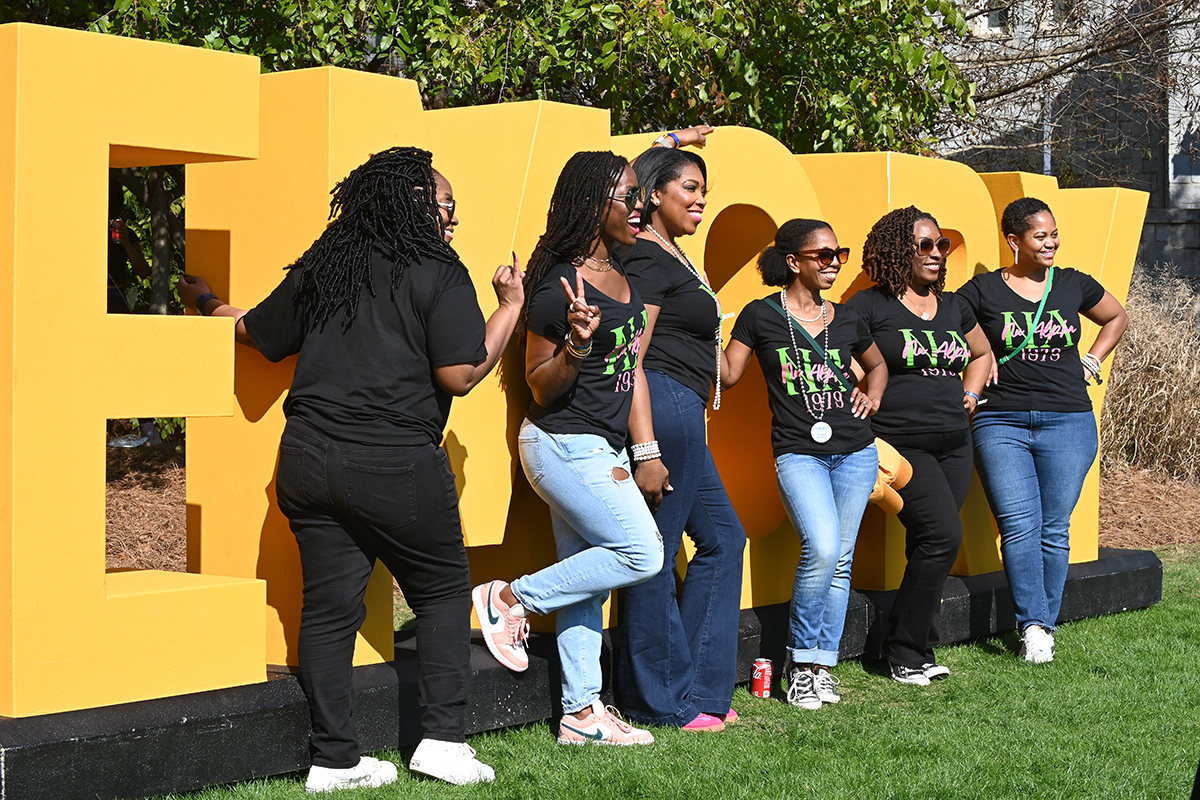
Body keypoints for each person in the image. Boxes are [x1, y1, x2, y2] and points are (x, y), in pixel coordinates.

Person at [177, 147, 523, 791]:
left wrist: (206, 303)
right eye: (447, 206)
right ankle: (442, 745)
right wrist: (508, 307)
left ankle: (333, 760)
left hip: (307, 458)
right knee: (444, 594)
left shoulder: (329, 259)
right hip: (395, 462)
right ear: (415, 204)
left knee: (329, 610)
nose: (453, 220)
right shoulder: (438, 269)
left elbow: (257, 331)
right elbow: (462, 371)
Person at [471, 151, 665, 745]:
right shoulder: (561, 285)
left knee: (590, 580)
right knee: (642, 552)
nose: (639, 206)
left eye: (639, 194)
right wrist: (576, 347)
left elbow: (631, 370)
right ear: (591, 204)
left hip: (603, 447)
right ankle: (508, 597)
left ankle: (581, 713)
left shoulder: (624, 278)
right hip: (562, 443)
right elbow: (539, 382)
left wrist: (646, 449)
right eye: (627, 197)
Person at [721, 219, 887, 710]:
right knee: (822, 547)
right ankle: (799, 664)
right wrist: (688, 335)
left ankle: (822, 666)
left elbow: (877, 365)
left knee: (840, 561)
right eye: (823, 255)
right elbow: (729, 374)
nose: (834, 262)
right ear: (793, 262)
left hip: (857, 451)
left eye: (840, 252)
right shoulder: (760, 315)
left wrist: (871, 395)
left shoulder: (848, 318)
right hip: (799, 451)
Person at [957, 197, 1128, 663]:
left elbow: (1116, 316)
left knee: (1053, 528)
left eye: (1054, 234)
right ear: (1014, 241)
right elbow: (953, 325)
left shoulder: (1073, 284)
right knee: (1017, 525)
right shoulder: (983, 290)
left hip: (1068, 420)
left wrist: (1093, 357)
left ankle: (1041, 626)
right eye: (1040, 235)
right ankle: (1034, 624)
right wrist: (983, 354)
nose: (1050, 242)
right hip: (1000, 420)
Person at [613, 145, 746, 732]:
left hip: (686, 406)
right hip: (662, 403)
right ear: (653, 194)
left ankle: (698, 686)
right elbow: (630, 354)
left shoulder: (675, 256)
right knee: (657, 552)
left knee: (724, 538)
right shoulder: (643, 255)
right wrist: (643, 443)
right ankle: (656, 699)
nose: (699, 199)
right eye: (688, 188)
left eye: (703, 190)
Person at [847, 206, 992, 685]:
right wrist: (862, 387)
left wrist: (970, 394)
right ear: (897, 251)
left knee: (933, 544)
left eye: (941, 245)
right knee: (942, 536)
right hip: (903, 445)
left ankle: (918, 644)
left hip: (955, 442)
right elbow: (837, 351)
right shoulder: (870, 306)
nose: (936, 253)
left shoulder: (953, 306)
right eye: (924, 245)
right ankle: (904, 651)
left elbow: (982, 352)